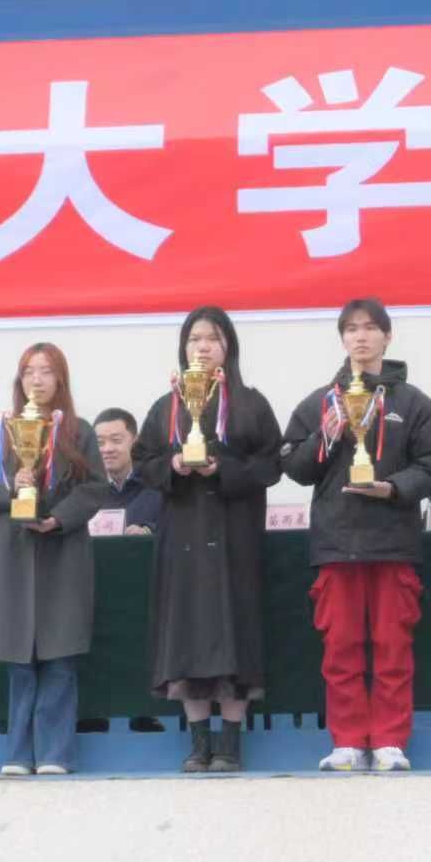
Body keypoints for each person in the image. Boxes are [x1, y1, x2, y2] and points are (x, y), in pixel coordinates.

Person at [280, 298, 431, 772]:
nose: (361, 336)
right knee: (341, 648)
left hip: (394, 541)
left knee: (393, 646)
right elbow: (293, 467)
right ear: (342, 339)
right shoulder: (320, 402)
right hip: (336, 544)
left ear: (387, 337)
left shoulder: (413, 403)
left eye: (371, 328)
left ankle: (391, 740)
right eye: (352, 328)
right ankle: (348, 740)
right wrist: (326, 434)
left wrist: (393, 488)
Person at [135, 306, 283, 772]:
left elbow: (271, 465)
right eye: (194, 339)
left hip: (234, 533)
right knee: (185, 635)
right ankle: (199, 743)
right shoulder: (166, 406)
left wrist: (225, 469)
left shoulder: (251, 403)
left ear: (228, 347)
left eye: (212, 338)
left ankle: (231, 743)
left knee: (235, 630)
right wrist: (172, 466)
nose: (202, 347)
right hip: (181, 534)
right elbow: (143, 462)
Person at [0, 343, 104, 775]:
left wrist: (59, 518)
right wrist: (14, 488)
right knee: (19, 661)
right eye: (29, 371)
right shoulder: (3, 431)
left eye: (46, 371)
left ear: (60, 379)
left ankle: (54, 754)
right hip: (11, 552)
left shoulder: (79, 432)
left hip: (62, 551)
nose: (37, 379)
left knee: (60, 657)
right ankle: (17, 754)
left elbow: (94, 488)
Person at [93, 408, 164, 534]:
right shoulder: (86, 491)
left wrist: (148, 531)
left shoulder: (158, 485)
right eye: (100, 443)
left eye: (116, 440)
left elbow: (178, 527)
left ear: (135, 442)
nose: (107, 449)